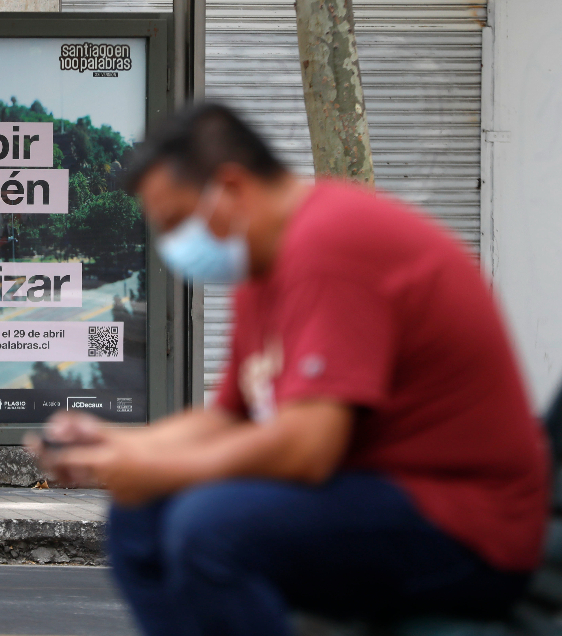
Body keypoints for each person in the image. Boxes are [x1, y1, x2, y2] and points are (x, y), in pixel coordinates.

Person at [27, 103, 550, 635]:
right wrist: (116, 447)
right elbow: (231, 416)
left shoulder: (330, 243)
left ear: (229, 188)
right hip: (370, 492)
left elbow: (307, 448)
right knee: (138, 518)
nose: (171, 247)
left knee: (209, 531)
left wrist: (158, 469)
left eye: (175, 222)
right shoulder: (263, 264)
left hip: (465, 524)